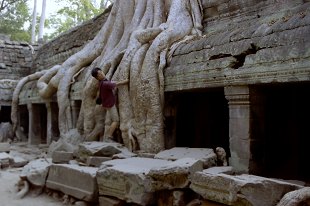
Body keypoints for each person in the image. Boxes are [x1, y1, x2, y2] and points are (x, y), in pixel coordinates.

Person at [91, 67, 129, 142]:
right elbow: (117, 84)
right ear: (96, 77)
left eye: (101, 72)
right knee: (116, 120)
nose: (102, 74)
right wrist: (126, 81)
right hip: (110, 105)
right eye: (99, 74)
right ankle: (109, 136)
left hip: (106, 103)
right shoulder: (105, 83)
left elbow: (112, 83)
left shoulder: (101, 81)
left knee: (114, 119)